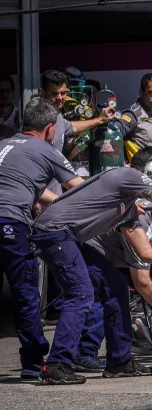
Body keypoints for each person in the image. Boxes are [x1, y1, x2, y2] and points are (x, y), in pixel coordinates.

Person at [31, 147, 152, 384]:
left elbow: (145, 252)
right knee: (81, 293)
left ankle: (119, 362)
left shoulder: (129, 207)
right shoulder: (129, 176)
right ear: (151, 171)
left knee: (116, 288)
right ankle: (57, 364)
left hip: (70, 237)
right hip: (55, 231)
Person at [0, 99, 84, 380]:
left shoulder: (4, 144)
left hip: (6, 217)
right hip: (10, 224)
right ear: (49, 128)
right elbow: (79, 188)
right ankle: (33, 361)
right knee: (25, 293)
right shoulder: (46, 150)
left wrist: (55, 200)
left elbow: (27, 187)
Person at [81, 190, 152, 363]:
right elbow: (142, 283)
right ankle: (85, 353)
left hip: (129, 257)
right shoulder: (140, 223)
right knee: (106, 299)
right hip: (101, 254)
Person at [112, 72, 152, 162]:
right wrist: (121, 163)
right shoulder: (133, 114)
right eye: (151, 93)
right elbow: (110, 135)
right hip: (140, 172)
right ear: (141, 92)